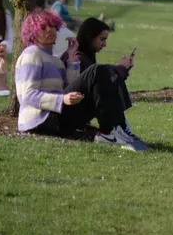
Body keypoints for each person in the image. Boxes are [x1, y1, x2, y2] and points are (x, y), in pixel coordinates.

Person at [14, 10, 145, 150]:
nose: (49, 30)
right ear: (32, 31)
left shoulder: (55, 60)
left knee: (100, 79)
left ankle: (118, 127)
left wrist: (71, 57)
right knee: (97, 71)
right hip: (40, 120)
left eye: (52, 26)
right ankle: (110, 130)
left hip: (57, 118)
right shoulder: (31, 54)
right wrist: (61, 99)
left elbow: (70, 86)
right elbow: (27, 96)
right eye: (43, 27)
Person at [69, 17, 147, 149]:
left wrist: (121, 71)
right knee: (107, 73)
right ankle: (112, 128)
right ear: (89, 37)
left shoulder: (87, 57)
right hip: (75, 109)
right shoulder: (79, 59)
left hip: (83, 107)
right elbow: (95, 85)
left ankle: (120, 125)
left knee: (112, 76)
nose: (104, 44)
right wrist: (119, 69)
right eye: (102, 39)